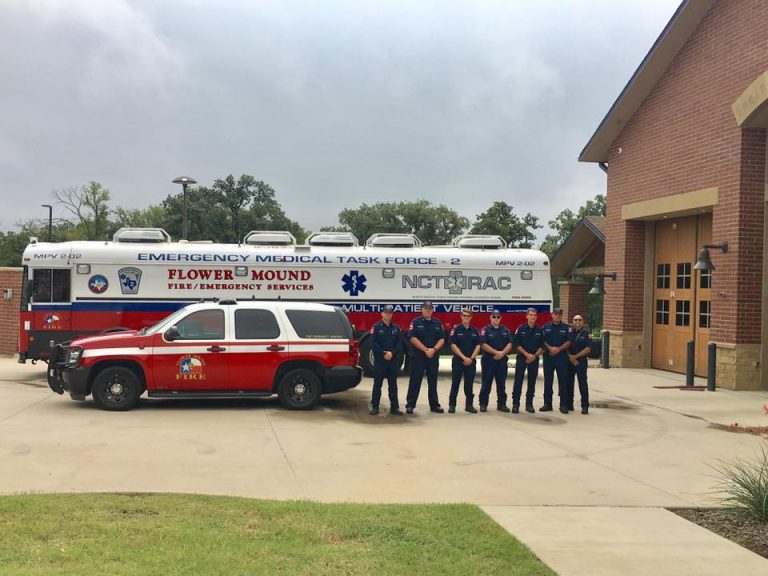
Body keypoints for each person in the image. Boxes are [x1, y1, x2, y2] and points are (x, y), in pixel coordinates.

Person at [406, 301, 445, 414]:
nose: (428, 310)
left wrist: (434, 350)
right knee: (415, 381)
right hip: (419, 356)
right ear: (422, 309)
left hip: (433, 356)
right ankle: (410, 405)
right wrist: (425, 350)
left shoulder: (438, 323)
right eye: (426, 308)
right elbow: (413, 338)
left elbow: (442, 339)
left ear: (432, 310)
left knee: (432, 381)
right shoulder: (416, 322)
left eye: (430, 308)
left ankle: (434, 405)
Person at [369, 305, 403, 416]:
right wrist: (383, 354)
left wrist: (392, 353)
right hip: (380, 360)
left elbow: (399, 343)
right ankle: (375, 406)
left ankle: (394, 407)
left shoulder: (396, 328)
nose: (388, 314)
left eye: (390, 312)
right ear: (382, 314)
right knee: (377, 384)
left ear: (392, 314)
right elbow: (373, 343)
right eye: (386, 312)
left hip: (393, 360)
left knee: (393, 385)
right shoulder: (376, 327)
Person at [478, 309, 512, 412]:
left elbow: (510, 344)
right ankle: (483, 404)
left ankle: (501, 404)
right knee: (486, 383)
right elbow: (483, 344)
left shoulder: (505, 330)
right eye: (494, 317)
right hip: (489, 360)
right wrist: (496, 352)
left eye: (498, 317)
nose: (496, 319)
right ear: (490, 318)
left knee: (501, 384)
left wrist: (502, 353)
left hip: (501, 361)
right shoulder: (485, 330)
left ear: (500, 318)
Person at [512, 307, 544, 413]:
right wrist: (526, 355)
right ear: (527, 316)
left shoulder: (540, 330)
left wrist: (534, 356)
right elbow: (516, 344)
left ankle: (529, 404)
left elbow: (542, 346)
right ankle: (515, 404)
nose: (533, 317)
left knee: (532, 383)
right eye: (531, 315)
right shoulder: (520, 329)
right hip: (522, 358)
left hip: (534, 359)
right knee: (518, 381)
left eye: (534, 315)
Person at [448, 308, 481, 413]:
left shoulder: (475, 331)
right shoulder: (456, 330)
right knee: (455, 383)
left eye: (468, 316)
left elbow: (478, 346)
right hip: (458, 361)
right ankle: (452, 405)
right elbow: (453, 345)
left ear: (471, 317)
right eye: (464, 316)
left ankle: (469, 405)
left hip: (471, 361)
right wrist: (464, 357)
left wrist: (471, 358)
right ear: (461, 316)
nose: (466, 318)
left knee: (469, 384)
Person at [541, 308, 572, 413]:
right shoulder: (546, 327)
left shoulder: (566, 328)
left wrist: (558, 349)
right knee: (548, 381)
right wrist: (550, 348)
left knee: (563, 381)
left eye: (560, 314)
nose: (558, 316)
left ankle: (563, 405)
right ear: (552, 315)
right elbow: (542, 340)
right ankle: (547, 404)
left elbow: (569, 341)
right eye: (556, 314)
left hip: (561, 358)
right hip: (548, 357)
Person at [567, 314, 592, 414]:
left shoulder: (586, 333)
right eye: (575, 320)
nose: (577, 322)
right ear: (572, 321)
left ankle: (585, 406)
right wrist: (570, 357)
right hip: (569, 361)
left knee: (583, 384)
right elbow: (565, 346)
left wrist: (575, 357)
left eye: (580, 320)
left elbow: (588, 349)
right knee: (569, 383)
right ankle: (569, 404)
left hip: (581, 361)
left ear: (583, 322)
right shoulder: (569, 332)